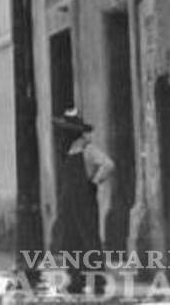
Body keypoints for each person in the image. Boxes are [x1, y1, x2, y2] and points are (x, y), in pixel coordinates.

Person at [50, 110, 115, 296]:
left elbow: (108, 164)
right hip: (69, 202)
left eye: (65, 131)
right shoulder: (70, 151)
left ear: (73, 133)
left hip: (84, 201)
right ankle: (75, 281)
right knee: (70, 239)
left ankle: (97, 282)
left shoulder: (88, 149)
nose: (62, 135)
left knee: (89, 239)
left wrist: (94, 181)